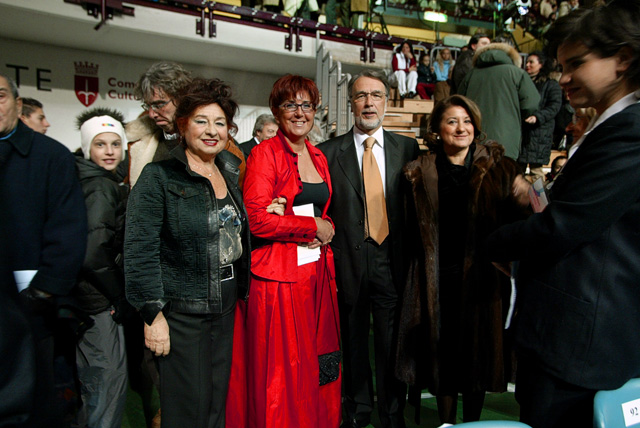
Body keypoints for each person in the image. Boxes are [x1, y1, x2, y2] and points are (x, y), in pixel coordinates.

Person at [486, 1, 640, 426]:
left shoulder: (630, 130)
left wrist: (491, 243)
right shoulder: (611, 125)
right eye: (560, 66)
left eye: (576, 64)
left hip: (582, 344)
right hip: (570, 336)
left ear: (623, 59)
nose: (564, 78)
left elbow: (565, 226)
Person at [396, 94, 530, 426]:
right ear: (436, 129)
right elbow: (406, 229)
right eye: (452, 121)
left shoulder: (500, 168)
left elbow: (523, 220)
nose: (461, 128)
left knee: (477, 357)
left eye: (467, 121)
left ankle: (472, 423)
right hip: (436, 279)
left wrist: (526, 196)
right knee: (442, 355)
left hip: (484, 280)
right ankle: (446, 423)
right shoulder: (418, 172)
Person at [124, 77, 250, 428]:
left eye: (220, 123)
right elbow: (139, 250)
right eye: (201, 121)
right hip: (182, 314)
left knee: (215, 405)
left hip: (225, 306)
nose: (212, 131)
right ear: (182, 125)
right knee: (185, 410)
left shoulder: (229, 171)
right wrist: (153, 315)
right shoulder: (158, 177)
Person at [226, 74, 341, 428]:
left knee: (315, 366)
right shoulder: (264, 154)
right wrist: (311, 226)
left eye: (307, 105)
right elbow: (257, 220)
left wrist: (325, 225)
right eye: (291, 104)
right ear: (276, 111)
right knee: (281, 375)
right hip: (278, 282)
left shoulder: (318, 156)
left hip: (315, 275)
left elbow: (320, 212)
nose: (300, 112)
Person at [319, 70, 420, 428]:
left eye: (376, 95)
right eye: (361, 95)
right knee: (353, 341)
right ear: (351, 102)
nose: (369, 102)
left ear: (387, 102)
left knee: (392, 344)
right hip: (348, 260)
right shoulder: (328, 152)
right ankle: (358, 410)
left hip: (391, 260)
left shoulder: (407, 148)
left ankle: (392, 413)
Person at [0, 72, 88, 427]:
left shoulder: (51, 156)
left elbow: (69, 230)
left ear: (17, 104)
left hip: (33, 310)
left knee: (34, 402)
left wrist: (44, 291)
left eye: (0, 96)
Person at [74, 107, 130, 428]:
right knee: (107, 384)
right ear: (87, 148)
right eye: (100, 144)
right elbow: (93, 252)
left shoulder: (95, 180)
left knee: (95, 385)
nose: (109, 151)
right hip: (97, 301)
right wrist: (117, 295)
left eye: (115, 144)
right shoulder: (100, 187)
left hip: (88, 299)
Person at [126, 61, 246, 188]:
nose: (151, 114)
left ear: (180, 98)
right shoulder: (141, 143)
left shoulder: (219, 144)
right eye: (148, 106)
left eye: (159, 104)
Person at [458, 42, 540, 160]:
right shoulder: (517, 73)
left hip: (475, 136)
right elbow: (530, 103)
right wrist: (515, 116)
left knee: (476, 168)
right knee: (503, 168)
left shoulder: (471, 75)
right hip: (507, 136)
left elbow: (459, 103)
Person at [518, 51, 562, 182]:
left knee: (536, 171)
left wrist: (537, 117)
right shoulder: (522, 82)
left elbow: (554, 106)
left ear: (541, 64)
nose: (527, 65)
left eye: (531, 62)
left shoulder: (551, 84)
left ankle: (538, 196)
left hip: (539, 134)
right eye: (527, 62)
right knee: (517, 171)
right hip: (523, 132)